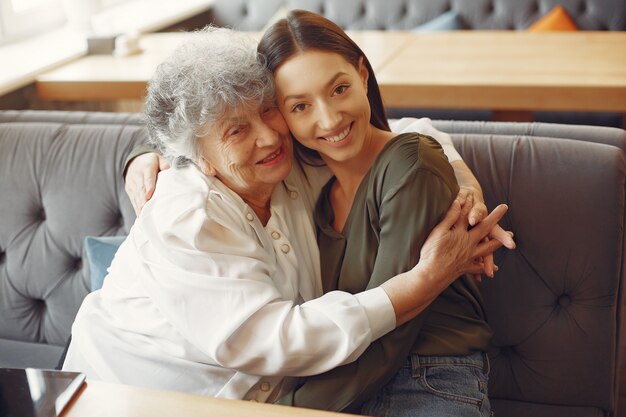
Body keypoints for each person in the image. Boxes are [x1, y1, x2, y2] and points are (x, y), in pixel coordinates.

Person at [63, 27, 510, 404]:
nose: (268, 137)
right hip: (124, 395)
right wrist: (424, 280)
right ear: (198, 159)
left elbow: (404, 136)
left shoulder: (287, 167)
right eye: (237, 130)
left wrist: (461, 180)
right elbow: (271, 338)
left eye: (267, 110)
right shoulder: (186, 213)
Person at [255, 10, 511, 416]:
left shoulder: (410, 162)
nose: (329, 118)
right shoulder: (316, 196)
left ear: (363, 74)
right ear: (279, 115)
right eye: (300, 106)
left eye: (339, 89)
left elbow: (391, 333)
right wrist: (145, 154)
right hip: (348, 379)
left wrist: (284, 409)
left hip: (429, 378)